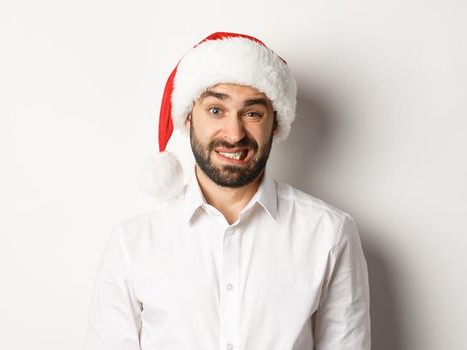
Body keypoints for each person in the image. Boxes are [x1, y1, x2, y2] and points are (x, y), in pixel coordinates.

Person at [83, 32, 371, 350]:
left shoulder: (329, 233)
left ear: (275, 123)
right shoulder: (133, 240)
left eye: (252, 113)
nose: (234, 134)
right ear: (189, 117)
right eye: (216, 110)